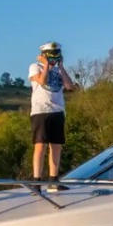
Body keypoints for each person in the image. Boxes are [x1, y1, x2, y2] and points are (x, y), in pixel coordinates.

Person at [28, 41, 78, 192]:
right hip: (41, 111)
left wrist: (61, 67)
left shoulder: (58, 70)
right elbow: (42, 81)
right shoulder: (35, 67)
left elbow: (70, 86)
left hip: (57, 111)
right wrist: (46, 66)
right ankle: (37, 181)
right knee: (40, 145)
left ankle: (53, 180)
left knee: (56, 146)